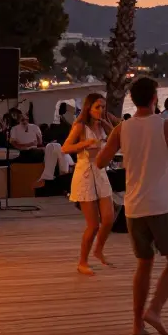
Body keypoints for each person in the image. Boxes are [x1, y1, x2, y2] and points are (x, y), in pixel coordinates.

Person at [95, 77, 168, 335]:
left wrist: (114, 138)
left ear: (133, 99)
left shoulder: (123, 129)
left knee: (144, 264)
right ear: (155, 97)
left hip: (133, 208)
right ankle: (154, 310)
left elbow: (100, 162)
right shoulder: (167, 125)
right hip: (161, 206)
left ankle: (136, 325)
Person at [63, 93, 116, 275]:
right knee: (93, 225)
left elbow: (117, 135)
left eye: (103, 107)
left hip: (100, 172)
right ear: (88, 108)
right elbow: (65, 148)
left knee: (109, 218)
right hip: (85, 173)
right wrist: (84, 144)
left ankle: (98, 249)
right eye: (97, 107)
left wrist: (107, 121)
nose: (101, 110)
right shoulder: (80, 126)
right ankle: (82, 262)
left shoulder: (102, 125)